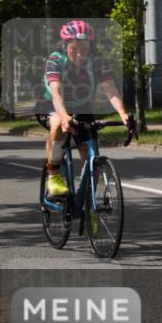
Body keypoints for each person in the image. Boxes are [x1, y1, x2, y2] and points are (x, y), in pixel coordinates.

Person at [42, 20, 130, 198]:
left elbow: (110, 89)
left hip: (82, 107)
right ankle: (54, 176)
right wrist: (65, 115)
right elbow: (56, 93)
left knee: (92, 160)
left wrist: (122, 113)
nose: (80, 54)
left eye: (85, 49)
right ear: (65, 45)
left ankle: (88, 204)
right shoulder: (55, 59)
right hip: (53, 105)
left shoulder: (98, 61)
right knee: (59, 123)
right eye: (75, 49)